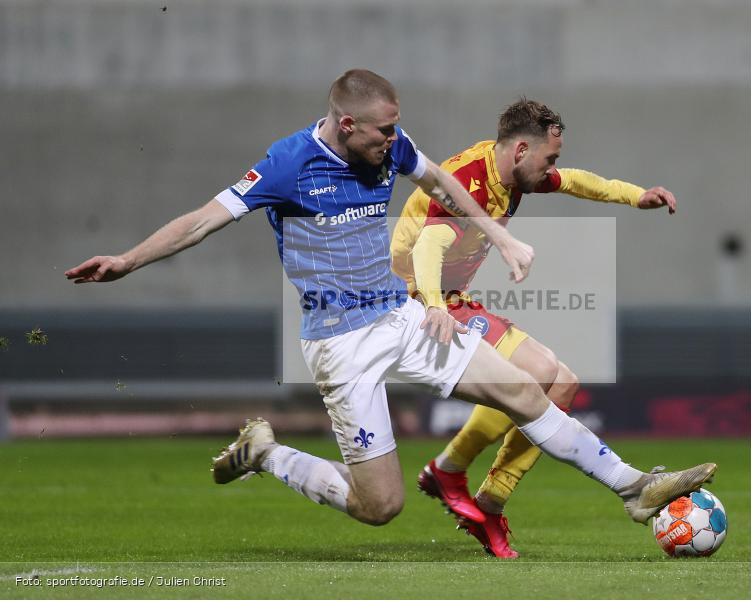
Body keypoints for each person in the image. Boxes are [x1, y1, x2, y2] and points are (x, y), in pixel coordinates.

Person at [65, 70, 715, 544]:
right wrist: (127, 260)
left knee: (523, 391)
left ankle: (634, 488)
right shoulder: (289, 164)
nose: (393, 142)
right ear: (347, 125)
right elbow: (204, 220)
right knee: (379, 507)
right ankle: (267, 454)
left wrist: (500, 236)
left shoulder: (391, 145)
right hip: (340, 344)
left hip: (400, 317)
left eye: (395, 128)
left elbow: (440, 183)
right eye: (382, 132)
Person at [391, 98, 679, 558]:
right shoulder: (469, 181)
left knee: (561, 385)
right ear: (522, 149)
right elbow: (429, 245)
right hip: (415, 302)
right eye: (550, 157)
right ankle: (455, 474)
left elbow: (581, 182)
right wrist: (433, 305)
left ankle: (476, 489)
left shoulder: (512, 171)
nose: (553, 168)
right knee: (544, 370)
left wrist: (635, 194)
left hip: (452, 299)